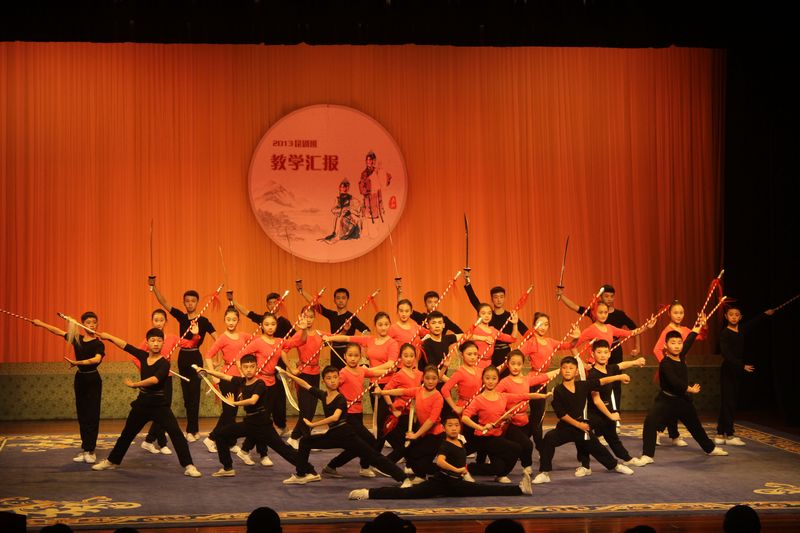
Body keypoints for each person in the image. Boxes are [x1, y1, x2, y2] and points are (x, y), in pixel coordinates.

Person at [92, 328, 201, 477]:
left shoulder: (164, 363)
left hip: (159, 405)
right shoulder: (143, 356)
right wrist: (108, 336)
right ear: (147, 343)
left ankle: (189, 465)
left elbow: (155, 380)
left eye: (159, 341)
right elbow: (125, 345)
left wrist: (135, 384)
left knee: (176, 434)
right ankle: (112, 461)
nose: (156, 343)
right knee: (127, 434)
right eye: (152, 340)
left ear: (163, 343)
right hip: (142, 403)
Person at [347, 413, 532, 500]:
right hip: (441, 482)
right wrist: (458, 469)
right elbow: (441, 462)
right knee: (408, 493)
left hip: (456, 484)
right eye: (450, 425)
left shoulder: (461, 441)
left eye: (456, 425)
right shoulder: (445, 444)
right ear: (444, 428)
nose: (454, 428)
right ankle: (369, 493)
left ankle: (520, 489)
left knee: (484, 489)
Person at [280, 366, 406, 485]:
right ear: (323, 381)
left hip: (346, 435)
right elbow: (306, 385)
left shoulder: (341, 399)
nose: (332, 381)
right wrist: (288, 375)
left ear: (339, 379)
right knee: (305, 442)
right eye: (329, 378)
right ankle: (303, 474)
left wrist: (314, 424)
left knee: (374, 456)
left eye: (335, 377)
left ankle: (403, 478)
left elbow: (335, 417)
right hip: (332, 435)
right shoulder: (323, 395)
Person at [533, 356, 635, 484]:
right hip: (566, 427)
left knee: (597, 447)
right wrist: (579, 425)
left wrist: (619, 377)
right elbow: (562, 415)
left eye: (571, 368)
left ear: (576, 372)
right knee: (549, 438)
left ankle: (614, 465)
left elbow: (601, 381)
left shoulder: (582, 385)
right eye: (564, 368)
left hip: (581, 427)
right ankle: (544, 473)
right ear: (561, 371)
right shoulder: (557, 390)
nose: (567, 370)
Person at [640, 320, 729, 464]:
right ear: (665, 345)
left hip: (682, 401)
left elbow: (689, 342)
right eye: (673, 343)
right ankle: (647, 455)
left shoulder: (681, 356)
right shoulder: (665, 363)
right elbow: (674, 381)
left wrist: (696, 329)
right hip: (665, 400)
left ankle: (710, 448)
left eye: (679, 343)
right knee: (650, 422)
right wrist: (689, 388)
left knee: (696, 427)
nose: (677, 346)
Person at [197, 354, 299, 477]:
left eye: (252, 367)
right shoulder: (242, 381)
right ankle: (227, 468)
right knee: (220, 435)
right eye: (246, 367)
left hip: (262, 424)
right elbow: (223, 376)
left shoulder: (260, 383)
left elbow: (252, 401)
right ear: (241, 368)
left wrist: (234, 403)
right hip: (250, 423)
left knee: (283, 449)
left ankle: (307, 470)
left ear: (257, 368)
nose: (249, 370)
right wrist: (206, 370)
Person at [33, 312, 104, 464]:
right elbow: (58, 331)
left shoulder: (99, 344)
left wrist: (78, 363)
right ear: (82, 324)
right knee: (82, 414)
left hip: (93, 379)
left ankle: (91, 450)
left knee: (92, 415)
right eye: (88, 322)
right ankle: (85, 449)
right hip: (80, 379)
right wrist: (40, 324)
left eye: (94, 322)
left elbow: (96, 359)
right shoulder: (77, 339)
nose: (92, 325)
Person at [236, 312, 306, 466]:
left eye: (273, 324)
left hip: (272, 382)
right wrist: (243, 375)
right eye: (267, 324)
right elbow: (240, 356)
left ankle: (249, 450)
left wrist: (303, 329)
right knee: (263, 421)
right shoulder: (257, 342)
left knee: (263, 421)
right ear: (261, 326)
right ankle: (260, 453)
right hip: (259, 383)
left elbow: (299, 342)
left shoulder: (279, 342)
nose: (270, 327)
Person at [150, 279, 217, 441]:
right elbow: (164, 303)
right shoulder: (181, 317)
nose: (190, 303)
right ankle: (191, 430)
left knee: (195, 395)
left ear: (197, 303)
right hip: (183, 358)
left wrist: (215, 358)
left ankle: (192, 429)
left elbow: (218, 339)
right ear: (184, 303)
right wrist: (154, 287)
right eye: (187, 301)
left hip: (196, 357)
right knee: (187, 397)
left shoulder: (203, 321)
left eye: (193, 301)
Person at [325, 311, 399, 451]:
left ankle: (379, 453)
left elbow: (391, 364)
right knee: (378, 421)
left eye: (386, 324)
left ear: (390, 325)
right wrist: (330, 338)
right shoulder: (370, 340)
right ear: (375, 326)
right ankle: (381, 454)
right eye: (380, 324)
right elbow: (348, 338)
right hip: (373, 384)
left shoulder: (393, 343)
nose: (383, 327)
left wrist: (368, 370)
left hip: (387, 385)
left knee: (382, 421)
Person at [462, 366, 550, 482]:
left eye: (494, 378)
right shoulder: (478, 399)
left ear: (498, 380)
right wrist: (481, 427)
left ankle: (478, 470)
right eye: (487, 378)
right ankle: (467, 468)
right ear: (483, 379)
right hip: (483, 438)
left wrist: (543, 396)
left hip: (497, 436)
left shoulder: (503, 397)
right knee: (516, 448)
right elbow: (464, 418)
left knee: (498, 468)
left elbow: (524, 396)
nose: (490, 381)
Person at [321, 342, 396, 477]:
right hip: (347, 414)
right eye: (350, 355)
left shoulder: (361, 370)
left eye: (356, 355)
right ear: (344, 356)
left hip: (358, 412)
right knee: (369, 440)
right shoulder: (342, 373)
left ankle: (332, 466)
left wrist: (392, 370)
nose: (353, 358)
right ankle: (363, 466)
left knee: (357, 444)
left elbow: (374, 372)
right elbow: (332, 387)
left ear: (360, 357)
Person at [558, 284, 639, 406]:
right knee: (598, 388)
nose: (609, 299)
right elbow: (576, 308)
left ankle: (614, 410)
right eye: (606, 296)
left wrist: (639, 343)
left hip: (614, 351)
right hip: (596, 358)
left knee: (614, 384)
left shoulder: (618, 315)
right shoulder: (593, 315)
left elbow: (631, 331)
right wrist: (562, 296)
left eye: (612, 296)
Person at [575, 340, 648, 474]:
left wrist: (635, 362)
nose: (603, 355)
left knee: (613, 438)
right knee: (584, 437)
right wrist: (611, 416)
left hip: (606, 410)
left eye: (605, 352)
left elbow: (621, 365)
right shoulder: (593, 375)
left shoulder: (610, 369)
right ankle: (585, 466)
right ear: (593, 354)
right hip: (593, 413)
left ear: (609, 354)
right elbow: (596, 401)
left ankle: (627, 459)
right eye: (599, 352)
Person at [232, 291, 294, 436]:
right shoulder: (262, 321)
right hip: (263, 366)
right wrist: (233, 301)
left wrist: (284, 350)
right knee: (261, 402)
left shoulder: (284, 322)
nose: (273, 305)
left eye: (275, 303)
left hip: (278, 365)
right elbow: (247, 313)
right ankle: (262, 426)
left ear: (280, 304)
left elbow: (294, 338)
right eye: (270, 303)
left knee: (279, 399)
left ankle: (281, 425)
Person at [517, 312, 579, 452]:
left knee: (536, 417)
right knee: (538, 417)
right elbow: (516, 357)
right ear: (534, 325)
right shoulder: (531, 342)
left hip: (544, 380)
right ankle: (540, 447)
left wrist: (576, 337)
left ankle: (520, 443)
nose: (543, 327)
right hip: (534, 381)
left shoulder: (550, 342)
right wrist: (519, 375)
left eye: (546, 324)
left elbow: (570, 345)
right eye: (540, 324)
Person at [716, 303, 774, 446]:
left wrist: (765, 314)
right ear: (726, 316)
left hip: (736, 370)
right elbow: (726, 354)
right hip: (728, 370)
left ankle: (720, 433)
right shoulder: (725, 333)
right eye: (731, 315)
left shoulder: (741, 330)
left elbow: (753, 323)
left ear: (740, 317)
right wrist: (741, 365)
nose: (734, 317)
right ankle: (729, 434)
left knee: (731, 402)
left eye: (736, 315)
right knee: (728, 402)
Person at [652, 300, 708, 446]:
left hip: (681, 370)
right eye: (675, 312)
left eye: (681, 313)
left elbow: (700, 336)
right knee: (671, 403)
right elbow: (656, 350)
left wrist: (703, 325)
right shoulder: (667, 330)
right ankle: (659, 431)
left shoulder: (685, 329)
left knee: (674, 404)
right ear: (669, 314)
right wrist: (667, 365)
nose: (679, 315)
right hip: (671, 372)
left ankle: (674, 435)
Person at [496, 350, 560, 475]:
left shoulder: (526, 380)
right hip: (511, 423)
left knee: (523, 444)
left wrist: (559, 370)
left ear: (523, 365)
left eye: (519, 364)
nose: (516, 367)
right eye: (513, 363)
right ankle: (526, 466)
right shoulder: (504, 382)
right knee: (527, 444)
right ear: (507, 364)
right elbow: (495, 398)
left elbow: (543, 377)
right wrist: (504, 413)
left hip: (524, 422)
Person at [378, 365, 445, 482]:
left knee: (420, 459)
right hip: (424, 434)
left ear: (438, 380)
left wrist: (415, 435)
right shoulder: (419, 390)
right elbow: (402, 391)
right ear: (423, 378)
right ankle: (421, 475)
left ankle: (449, 471)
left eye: (434, 378)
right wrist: (383, 392)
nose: (430, 381)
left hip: (435, 436)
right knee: (410, 453)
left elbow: (431, 420)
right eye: (427, 378)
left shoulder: (438, 397)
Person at [137, 308, 191, 455]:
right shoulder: (148, 340)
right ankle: (157, 442)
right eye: (156, 320)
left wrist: (196, 334)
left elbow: (189, 344)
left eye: (161, 320)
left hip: (167, 378)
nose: (159, 323)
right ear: (152, 321)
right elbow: (136, 357)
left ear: (166, 322)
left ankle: (154, 441)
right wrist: (147, 370)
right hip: (153, 381)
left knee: (163, 409)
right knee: (159, 410)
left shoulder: (171, 338)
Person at [201, 306, 249, 454]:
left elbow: (258, 342)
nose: (231, 322)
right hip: (226, 378)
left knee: (231, 412)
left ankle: (227, 441)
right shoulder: (222, 338)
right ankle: (214, 439)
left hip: (240, 378)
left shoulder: (243, 336)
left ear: (238, 320)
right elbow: (208, 355)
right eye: (228, 319)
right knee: (229, 412)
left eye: (234, 319)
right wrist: (213, 375)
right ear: (224, 320)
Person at [298, 282, 371, 370]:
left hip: (348, 354)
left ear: (347, 299)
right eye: (338, 298)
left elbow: (366, 331)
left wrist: (361, 347)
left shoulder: (352, 317)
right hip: (334, 351)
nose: (341, 300)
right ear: (334, 300)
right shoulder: (332, 315)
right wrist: (302, 291)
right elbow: (316, 305)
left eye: (343, 298)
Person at [464, 272, 529, 369]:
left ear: (504, 298)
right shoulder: (487, 315)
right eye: (496, 297)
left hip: (505, 353)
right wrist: (468, 282)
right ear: (491, 299)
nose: (499, 300)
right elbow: (474, 300)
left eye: (501, 297)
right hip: (490, 354)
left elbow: (524, 333)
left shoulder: (511, 316)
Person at [285, 305, 328, 448]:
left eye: (311, 317)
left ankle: (297, 438)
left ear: (314, 318)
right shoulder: (299, 334)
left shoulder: (320, 334)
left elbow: (337, 338)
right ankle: (302, 439)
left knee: (311, 410)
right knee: (305, 410)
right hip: (303, 374)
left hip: (316, 374)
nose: (308, 320)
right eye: (305, 317)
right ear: (301, 317)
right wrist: (291, 368)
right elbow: (283, 351)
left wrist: (345, 331)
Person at [378, 343, 423, 464]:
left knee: (413, 442)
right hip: (402, 414)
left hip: (414, 413)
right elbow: (385, 391)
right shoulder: (399, 375)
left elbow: (432, 380)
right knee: (407, 444)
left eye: (411, 356)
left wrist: (444, 367)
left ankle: (410, 465)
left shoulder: (419, 374)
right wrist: (392, 408)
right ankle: (386, 464)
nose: (409, 359)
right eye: (405, 356)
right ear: (400, 358)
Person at [394, 281, 462, 335]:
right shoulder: (421, 317)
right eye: (430, 302)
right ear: (425, 304)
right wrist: (399, 292)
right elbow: (402, 306)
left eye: (435, 302)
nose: (433, 305)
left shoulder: (444, 319)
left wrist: (447, 341)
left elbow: (460, 333)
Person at [466, 304, 520, 369]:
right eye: (483, 313)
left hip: (489, 363)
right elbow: (465, 337)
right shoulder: (475, 328)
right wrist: (483, 338)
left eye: (489, 313)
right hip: (477, 363)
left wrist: (515, 324)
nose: (487, 316)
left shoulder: (493, 330)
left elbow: (512, 339)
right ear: (478, 315)